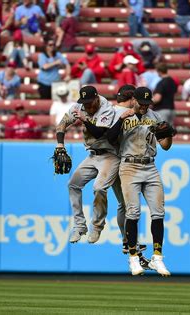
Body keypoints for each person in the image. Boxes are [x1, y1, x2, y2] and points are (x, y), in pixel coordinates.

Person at [105, 86, 173, 276]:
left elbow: (165, 146)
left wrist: (169, 134)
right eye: (141, 103)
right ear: (133, 99)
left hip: (150, 166)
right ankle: (134, 258)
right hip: (129, 166)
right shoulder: (123, 114)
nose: (144, 107)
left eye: (147, 103)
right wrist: (121, 120)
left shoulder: (155, 116)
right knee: (133, 212)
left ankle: (157, 257)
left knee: (158, 212)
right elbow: (110, 139)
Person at [55, 86, 120, 244]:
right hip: (92, 155)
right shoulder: (80, 107)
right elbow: (62, 123)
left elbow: (99, 133)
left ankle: (97, 226)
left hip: (110, 155)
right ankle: (79, 226)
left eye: (90, 102)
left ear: (97, 98)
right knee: (73, 184)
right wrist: (60, 144)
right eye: (85, 103)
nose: (88, 106)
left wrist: (84, 119)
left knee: (99, 188)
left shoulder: (106, 108)